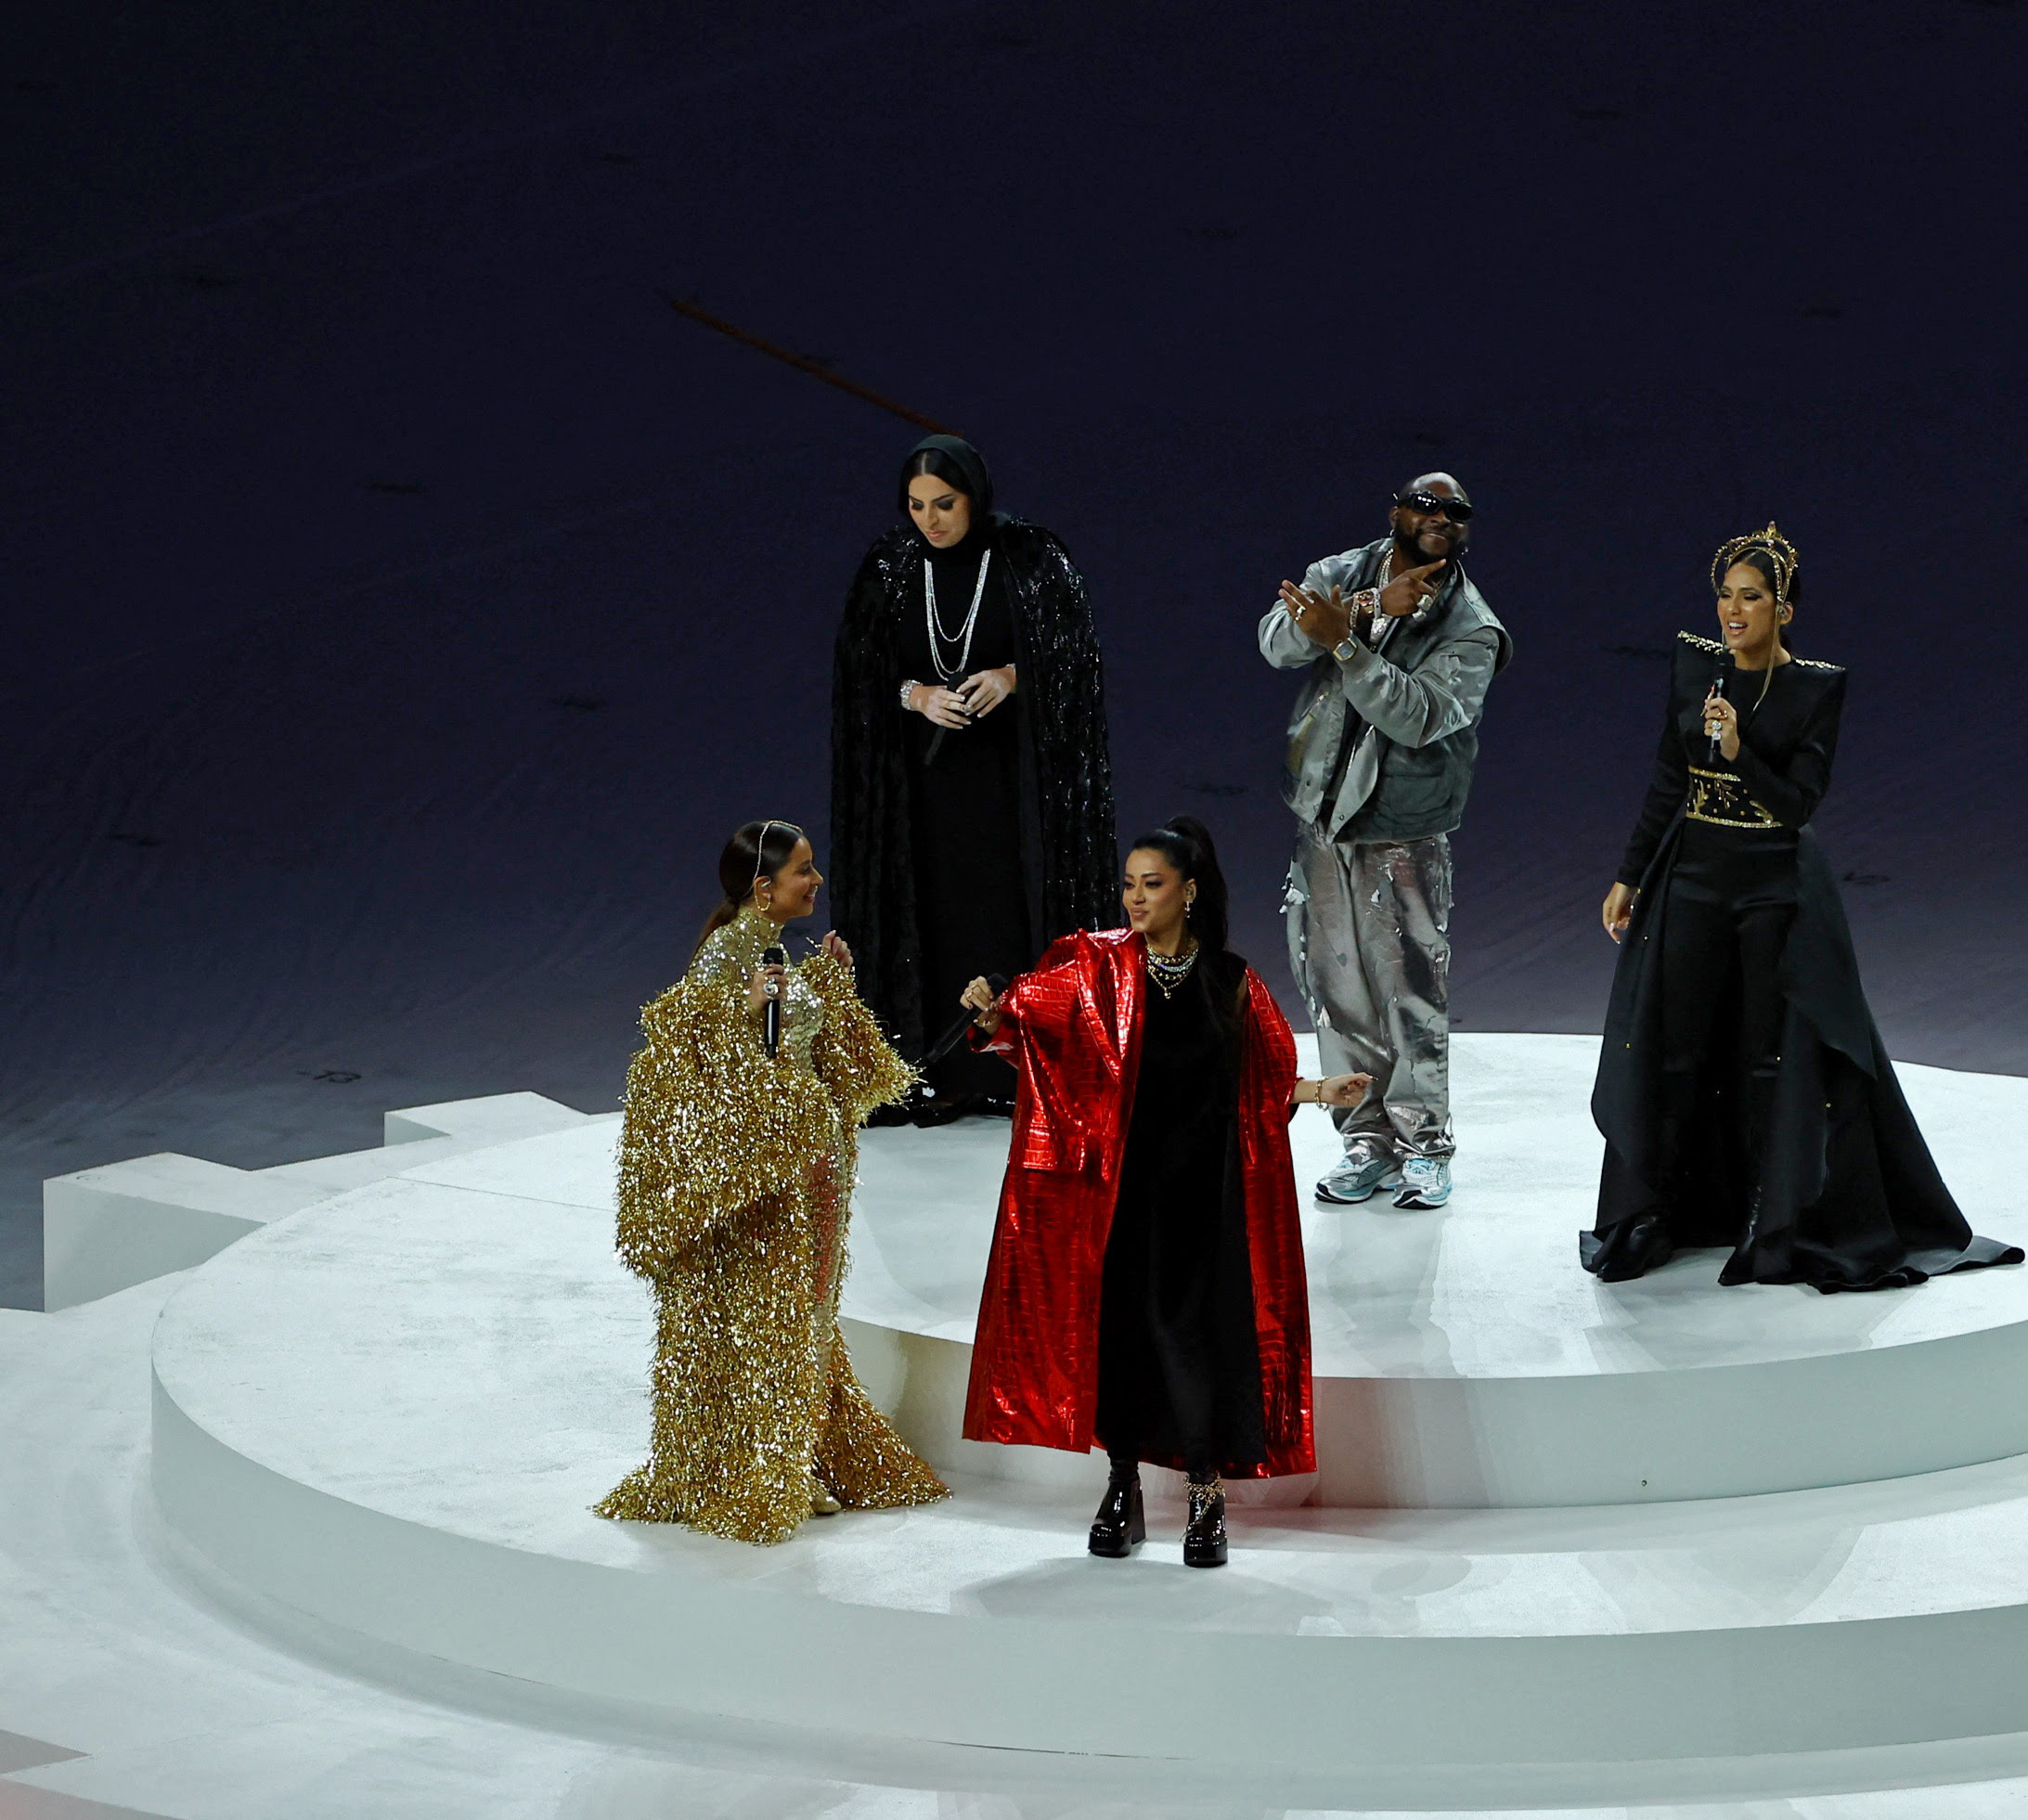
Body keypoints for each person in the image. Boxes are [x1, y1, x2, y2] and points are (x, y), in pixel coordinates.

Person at [1585, 526, 2022, 1292]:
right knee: (1673, 1041)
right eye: (1724, 595)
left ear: (1782, 607)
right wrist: (1630, 873)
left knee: (1769, 1053)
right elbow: (1665, 774)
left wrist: (1735, 752)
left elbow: (1796, 805)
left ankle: (1772, 1216)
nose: (1732, 610)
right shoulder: (1695, 664)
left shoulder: (1814, 687)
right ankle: (1660, 1211)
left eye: (1750, 597)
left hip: (1770, 885)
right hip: (1691, 871)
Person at [958, 818, 1368, 1568]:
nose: (1135, 897)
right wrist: (993, 1016)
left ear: (1188, 891)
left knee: (1195, 1341)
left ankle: (1206, 1491)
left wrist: (1317, 1090)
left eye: (1152, 884)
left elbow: (1260, 1080)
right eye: (1128, 883)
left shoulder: (1232, 979)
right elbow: (1027, 1029)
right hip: (1119, 1196)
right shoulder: (1093, 971)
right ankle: (1123, 1485)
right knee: (1121, 1339)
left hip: (1205, 1198)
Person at [598, 820, 949, 1544]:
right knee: (774, 1322)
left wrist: (827, 985)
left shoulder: (767, 949)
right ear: (764, 886)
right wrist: (752, 1017)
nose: (815, 881)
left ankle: (791, 1458)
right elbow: (709, 1076)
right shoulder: (722, 964)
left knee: (803, 1316)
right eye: (803, 871)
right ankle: (764, 1468)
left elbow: (809, 1056)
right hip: (774, 1183)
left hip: (813, 1172)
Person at [830, 433, 1118, 1125]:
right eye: (916, 505)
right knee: (930, 909)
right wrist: (916, 696)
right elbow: (858, 675)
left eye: (944, 503)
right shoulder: (890, 566)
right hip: (922, 794)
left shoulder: (1029, 558)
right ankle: (939, 1068)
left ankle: (1024, 1066)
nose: (930, 519)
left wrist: (1013, 676)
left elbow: (1077, 656)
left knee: (1009, 905)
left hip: (1012, 787)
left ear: (975, 498)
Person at [1260, 473, 1511, 1210]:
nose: (1440, 519)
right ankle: (1364, 1140)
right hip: (1321, 817)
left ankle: (1425, 1145)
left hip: (1404, 825)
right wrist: (1361, 610)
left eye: (1456, 512)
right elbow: (1275, 644)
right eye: (1425, 506)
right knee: (1332, 986)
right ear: (1395, 511)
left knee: (1408, 991)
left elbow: (1420, 715)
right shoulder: (1341, 574)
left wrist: (1345, 645)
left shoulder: (1471, 624)